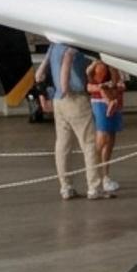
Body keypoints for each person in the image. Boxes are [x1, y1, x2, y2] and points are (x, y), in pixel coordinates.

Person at [46, 41, 99, 200]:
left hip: (58, 100)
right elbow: (68, 59)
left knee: (62, 145)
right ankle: (94, 187)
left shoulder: (54, 45)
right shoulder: (73, 45)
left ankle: (66, 187)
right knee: (89, 144)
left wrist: (54, 88)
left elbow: (43, 67)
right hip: (74, 98)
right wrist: (64, 87)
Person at [86, 58, 125, 197]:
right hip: (100, 101)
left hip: (114, 99)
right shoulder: (98, 64)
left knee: (110, 139)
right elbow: (90, 84)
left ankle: (105, 176)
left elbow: (118, 81)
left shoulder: (113, 63)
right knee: (102, 138)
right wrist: (104, 87)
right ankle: (94, 178)